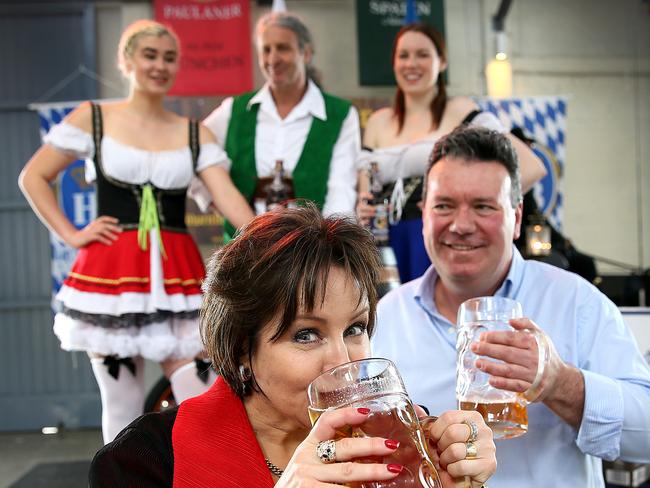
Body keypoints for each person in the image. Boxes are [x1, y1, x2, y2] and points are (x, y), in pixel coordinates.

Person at [89, 204, 497, 487]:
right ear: (241, 349)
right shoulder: (144, 462)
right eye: (306, 334)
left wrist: (460, 482)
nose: (343, 361)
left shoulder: (406, 436)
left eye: (355, 328)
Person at [372, 126, 650, 487]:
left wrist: (560, 383)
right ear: (424, 214)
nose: (461, 225)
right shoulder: (387, 315)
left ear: (516, 218)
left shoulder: (575, 302)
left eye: (484, 206)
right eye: (444, 206)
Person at [18, 19, 255, 444]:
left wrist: (277, 236)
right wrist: (72, 234)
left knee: (199, 394)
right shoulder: (93, 119)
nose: (160, 66)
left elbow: (229, 200)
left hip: (177, 276)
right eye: (150, 55)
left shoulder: (192, 133)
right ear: (126, 61)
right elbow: (33, 177)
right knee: (121, 404)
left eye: (169, 58)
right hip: (109, 274)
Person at [357, 22, 546, 283]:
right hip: (382, 244)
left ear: (442, 62)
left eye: (423, 54)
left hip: (438, 236)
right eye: (404, 55)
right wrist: (363, 206)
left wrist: (480, 205)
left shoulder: (461, 111)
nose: (411, 64)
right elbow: (364, 186)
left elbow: (532, 167)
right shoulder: (378, 121)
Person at [203, 11, 359, 241]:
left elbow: (341, 190)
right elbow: (196, 150)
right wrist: (216, 198)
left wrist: (326, 248)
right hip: (243, 248)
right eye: (266, 49)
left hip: (305, 252)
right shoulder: (235, 110)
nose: (273, 59)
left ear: (306, 53)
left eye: (283, 48)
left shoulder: (340, 114)